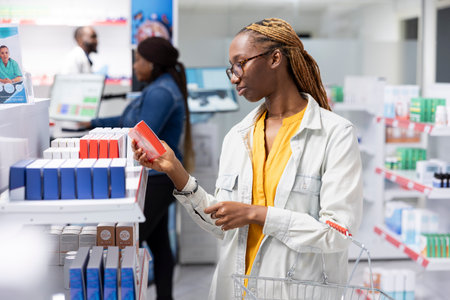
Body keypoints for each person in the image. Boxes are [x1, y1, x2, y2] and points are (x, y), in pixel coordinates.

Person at [132, 18, 363, 300]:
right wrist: (175, 170)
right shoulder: (238, 136)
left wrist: (256, 214)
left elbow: (338, 233)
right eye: (232, 67)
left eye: (241, 63)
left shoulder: (334, 134)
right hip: (237, 290)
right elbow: (223, 225)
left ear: (275, 58)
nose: (234, 77)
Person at [82, 37, 194, 300]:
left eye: (138, 60)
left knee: (127, 245)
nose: (134, 66)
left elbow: (141, 131)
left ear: (151, 64)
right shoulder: (159, 87)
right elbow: (127, 120)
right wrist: (92, 123)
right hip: (159, 177)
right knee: (159, 243)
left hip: (156, 179)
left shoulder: (160, 92)